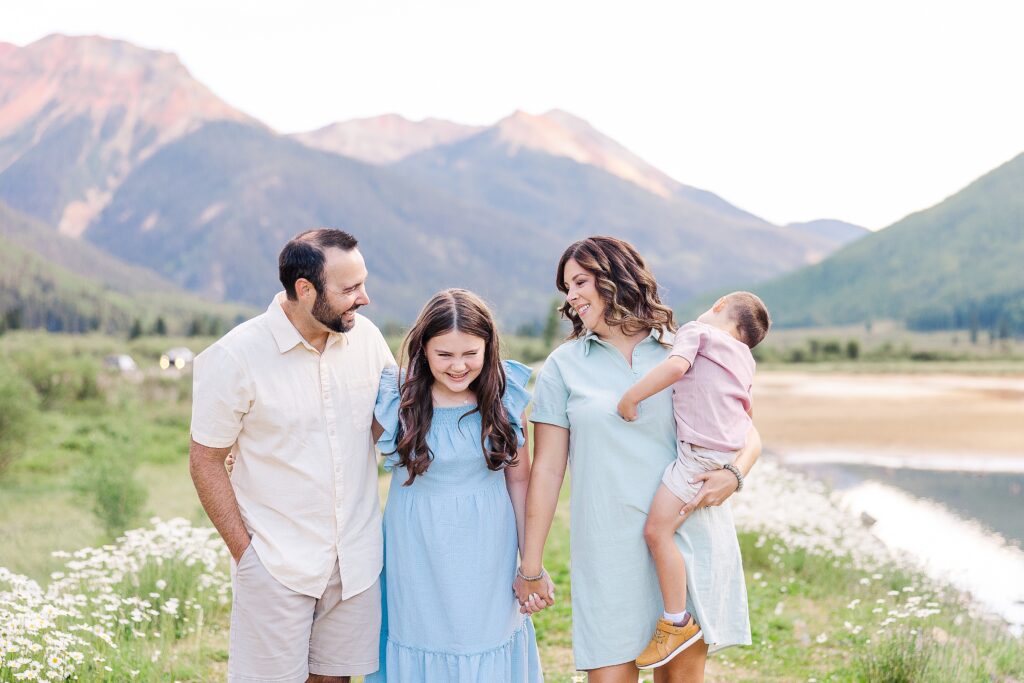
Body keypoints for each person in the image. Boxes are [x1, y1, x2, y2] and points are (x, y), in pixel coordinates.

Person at [514, 236, 758, 683]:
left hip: (686, 541)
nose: (571, 296)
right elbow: (546, 471)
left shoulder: (687, 346)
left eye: (581, 281)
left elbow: (745, 430)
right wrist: (530, 564)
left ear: (617, 278)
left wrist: (734, 473)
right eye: (566, 287)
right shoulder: (562, 366)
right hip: (607, 552)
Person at [189, 228, 395, 683]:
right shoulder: (235, 356)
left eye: (362, 283)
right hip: (276, 562)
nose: (364, 298)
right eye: (349, 289)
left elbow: (390, 425)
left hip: (355, 561)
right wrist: (247, 555)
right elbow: (205, 460)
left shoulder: (368, 340)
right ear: (305, 290)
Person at [366, 288, 544, 683]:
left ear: (488, 348)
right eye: (444, 354)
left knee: (481, 638)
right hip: (415, 549)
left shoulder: (505, 396)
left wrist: (530, 563)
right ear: (422, 349)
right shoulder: (399, 399)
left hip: (488, 547)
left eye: (470, 354)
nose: (458, 366)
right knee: (421, 636)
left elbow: (519, 481)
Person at [617, 291, 770, 669]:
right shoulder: (744, 358)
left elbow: (676, 368)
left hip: (697, 458)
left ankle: (675, 621)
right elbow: (745, 412)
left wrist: (631, 397)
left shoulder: (697, 331)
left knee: (656, 531)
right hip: (723, 455)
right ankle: (679, 619)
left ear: (719, 305)